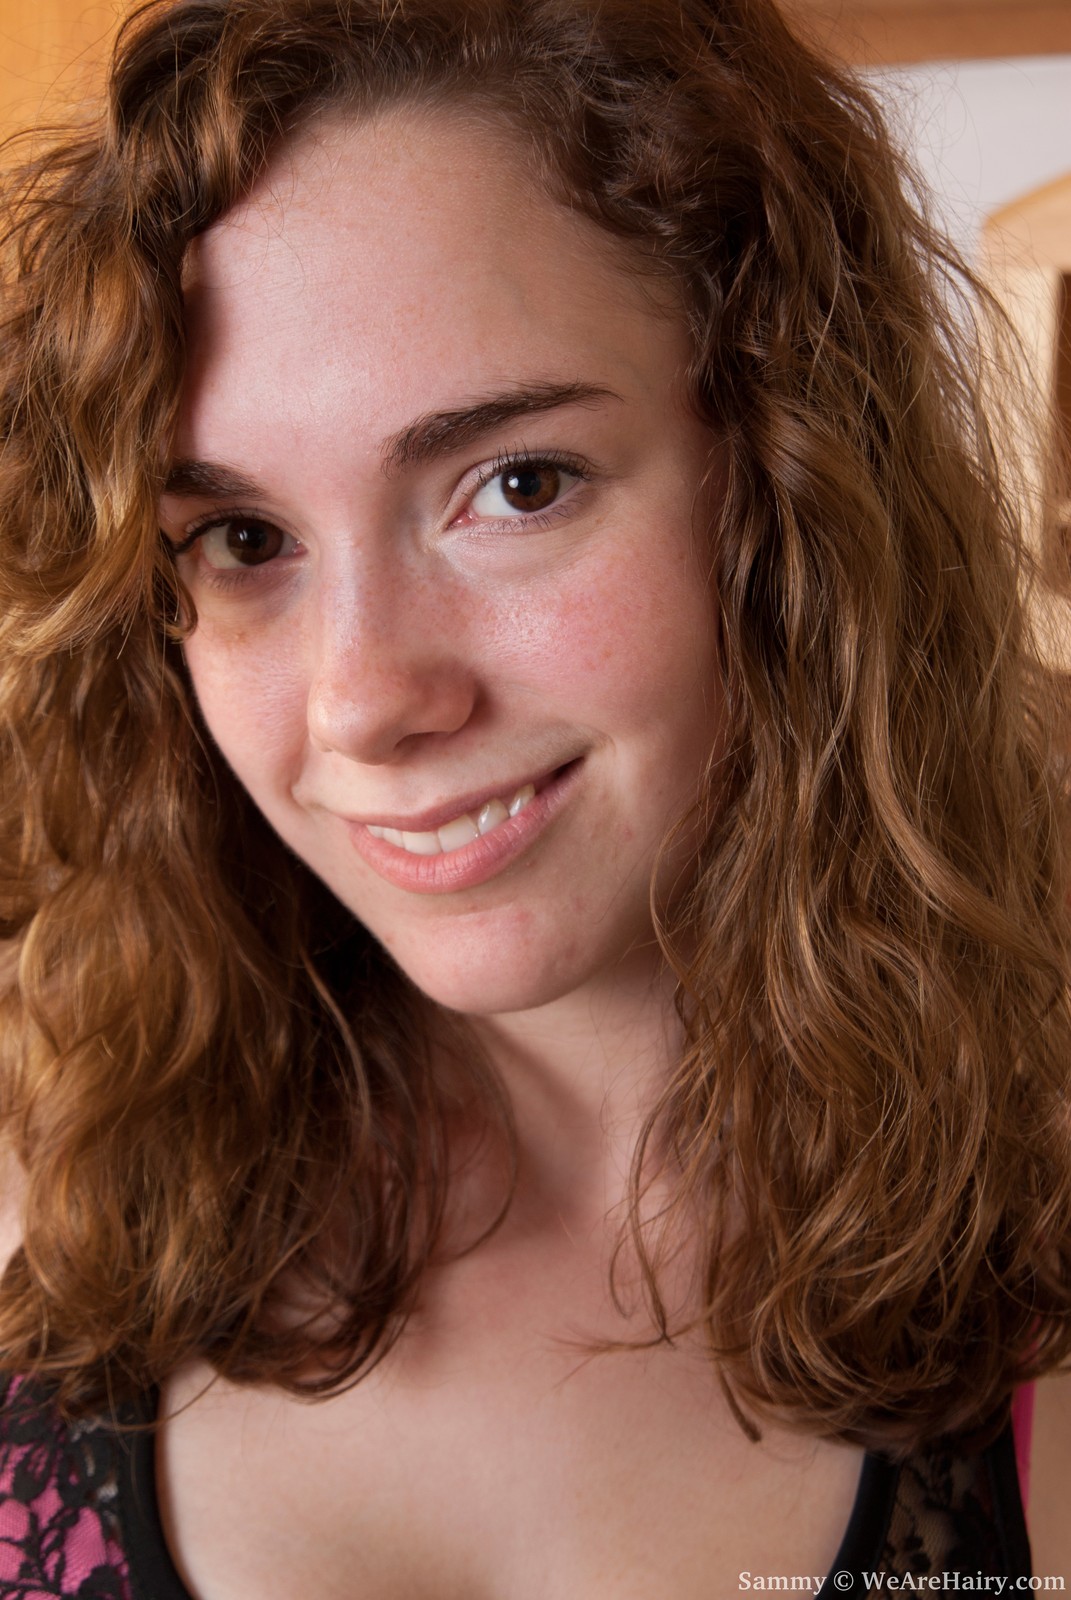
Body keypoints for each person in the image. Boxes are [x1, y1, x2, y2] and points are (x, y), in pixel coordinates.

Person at [2, 0, 1071, 1591]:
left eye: (517, 485)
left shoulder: (1038, 1271)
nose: (361, 699)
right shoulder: (43, 1156)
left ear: (790, 493)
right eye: (243, 540)